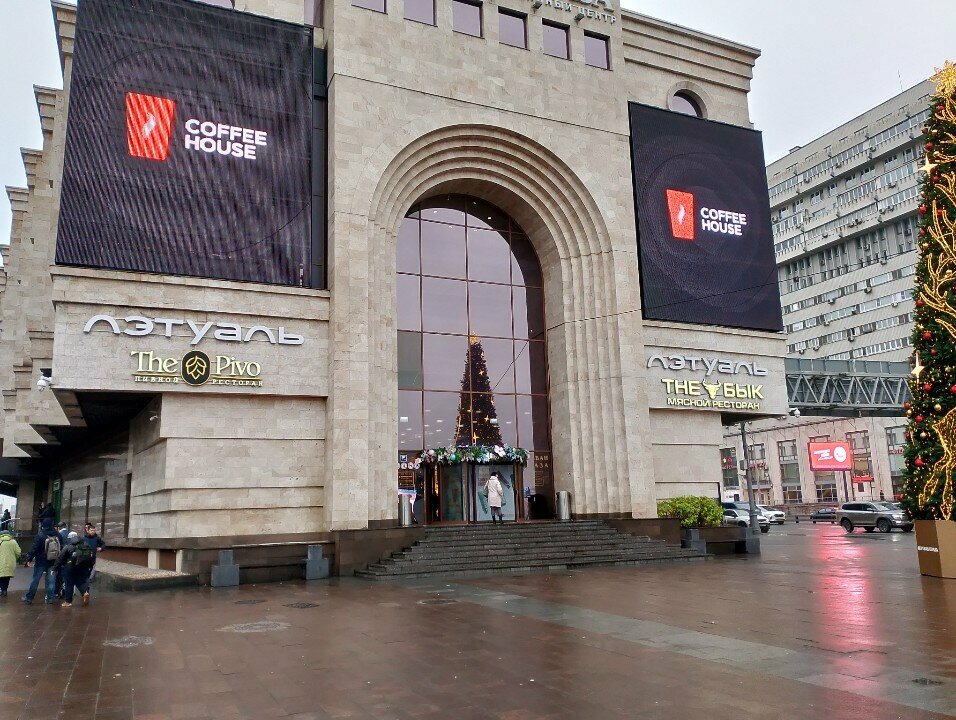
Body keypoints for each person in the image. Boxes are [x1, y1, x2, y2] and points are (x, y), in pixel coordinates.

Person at [22, 522, 60, 605]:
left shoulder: (40, 535)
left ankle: (29, 598)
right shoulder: (57, 534)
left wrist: (29, 559)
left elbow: (34, 548)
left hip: (40, 562)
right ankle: (50, 598)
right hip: (53, 562)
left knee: (35, 580)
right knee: (51, 581)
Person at [55, 531, 95, 608]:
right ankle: (84, 592)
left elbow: (60, 558)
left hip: (70, 567)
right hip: (83, 568)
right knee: (79, 582)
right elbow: (91, 558)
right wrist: (90, 567)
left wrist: (55, 568)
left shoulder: (68, 546)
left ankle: (68, 601)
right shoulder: (86, 545)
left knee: (69, 584)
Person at [0, 525, 21, 597]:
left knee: (1, 576)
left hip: (0, 562)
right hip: (10, 562)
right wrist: (15, 558)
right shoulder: (13, 542)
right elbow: (18, 552)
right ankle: (5, 589)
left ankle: (2, 589)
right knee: (7, 576)